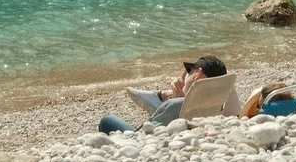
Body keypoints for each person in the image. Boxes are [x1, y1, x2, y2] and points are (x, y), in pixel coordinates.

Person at [99, 55, 239, 132]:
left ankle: (159, 99)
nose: (183, 78)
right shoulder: (218, 105)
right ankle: (159, 98)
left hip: (144, 142)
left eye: (188, 71)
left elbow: (145, 133)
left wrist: (174, 101)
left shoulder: (175, 105)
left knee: (107, 120)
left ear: (198, 75)